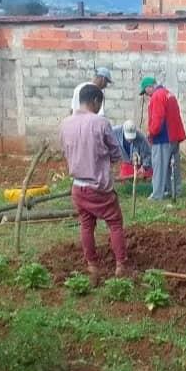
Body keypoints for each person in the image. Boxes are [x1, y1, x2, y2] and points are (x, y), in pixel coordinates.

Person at [59, 84, 128, 278]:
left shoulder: (65, 124)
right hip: (99, 187)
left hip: (78, 187)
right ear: (95, 101)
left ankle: (92, 265)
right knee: (114, 223)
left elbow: (66, 151)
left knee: (86, 224)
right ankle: (121, 265)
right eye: (100, 103)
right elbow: (115, 152)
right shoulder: (101, 123)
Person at [140, 76, 186, 200]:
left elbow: (158, 117)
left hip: (163, 138)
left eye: (145, 91)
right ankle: (175, 190)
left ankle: (157, 195)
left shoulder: (157, 96)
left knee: (159, 166)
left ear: (150, 87)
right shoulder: (168, 94)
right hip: (174, 136)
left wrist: (151, 132)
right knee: (172, 166)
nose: (146, 95)